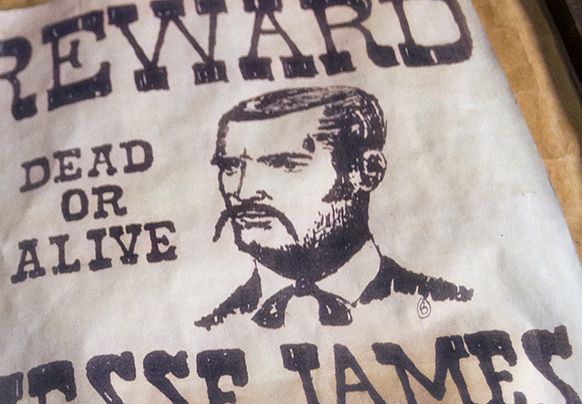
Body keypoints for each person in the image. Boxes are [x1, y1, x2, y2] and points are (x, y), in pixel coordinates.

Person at [196, 86, 472, 330]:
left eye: (282, 163)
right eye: (230, 167)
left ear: (367, 172)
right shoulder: (211, 328)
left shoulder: (450, 307)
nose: (241, 192)